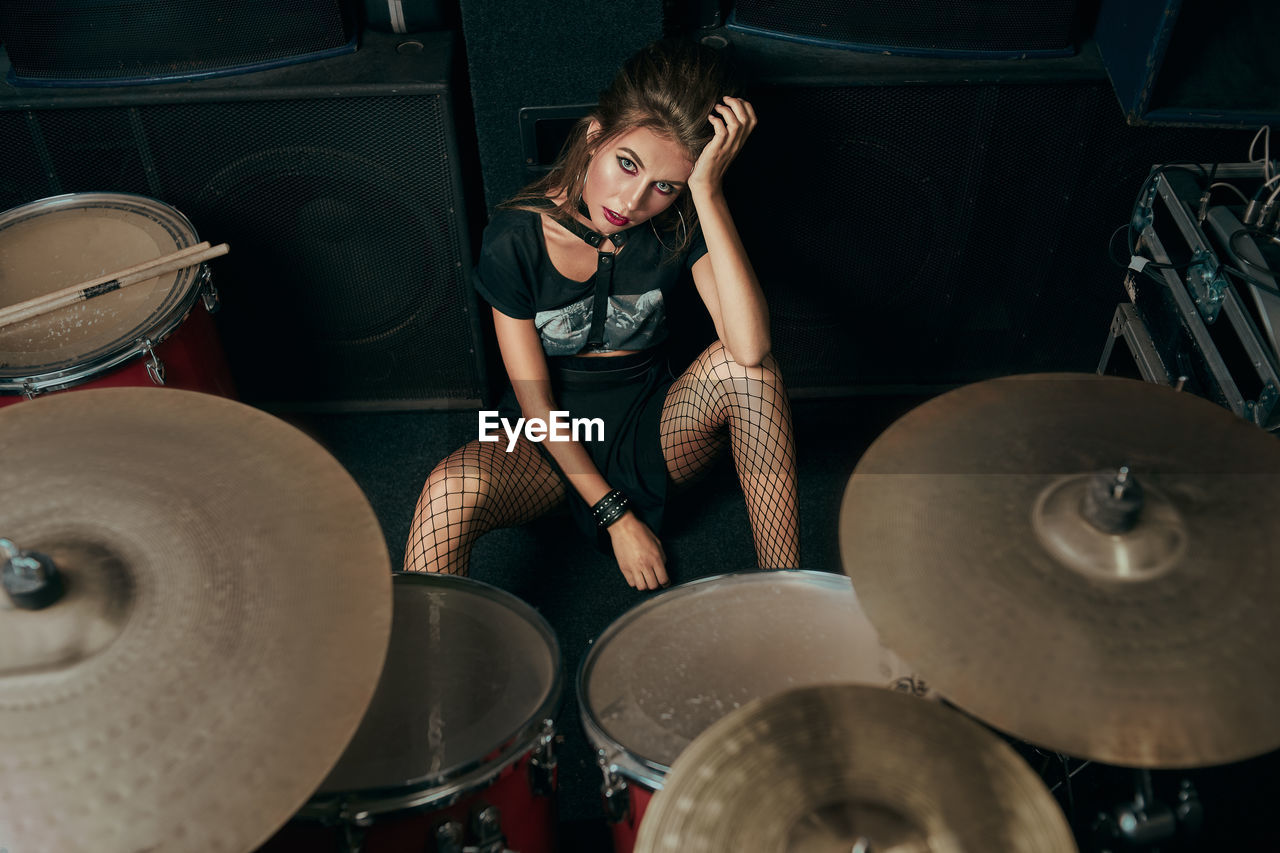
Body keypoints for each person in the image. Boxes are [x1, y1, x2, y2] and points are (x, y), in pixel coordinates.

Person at [404, 39, 798, 590]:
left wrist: (707, 194)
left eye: (665, 186)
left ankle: (789, 591)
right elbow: (535, 404)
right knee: (448, 491)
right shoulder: (515, 240)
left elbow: (751, 349)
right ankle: (435, 663)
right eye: (627, 164)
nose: (633, 201)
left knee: (750, 374)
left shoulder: (682, 223)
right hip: (546, 445)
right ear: (595, 136)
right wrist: (616, 517)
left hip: (652, 434)